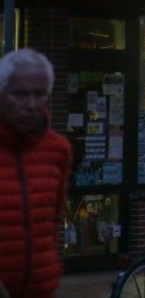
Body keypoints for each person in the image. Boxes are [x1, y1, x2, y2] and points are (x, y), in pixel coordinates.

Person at [0, 49, 72, 298]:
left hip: (41, 288)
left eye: (39, 94)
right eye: (20, 94)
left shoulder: (59, 150)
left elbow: (53, 220)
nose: (31, 104)